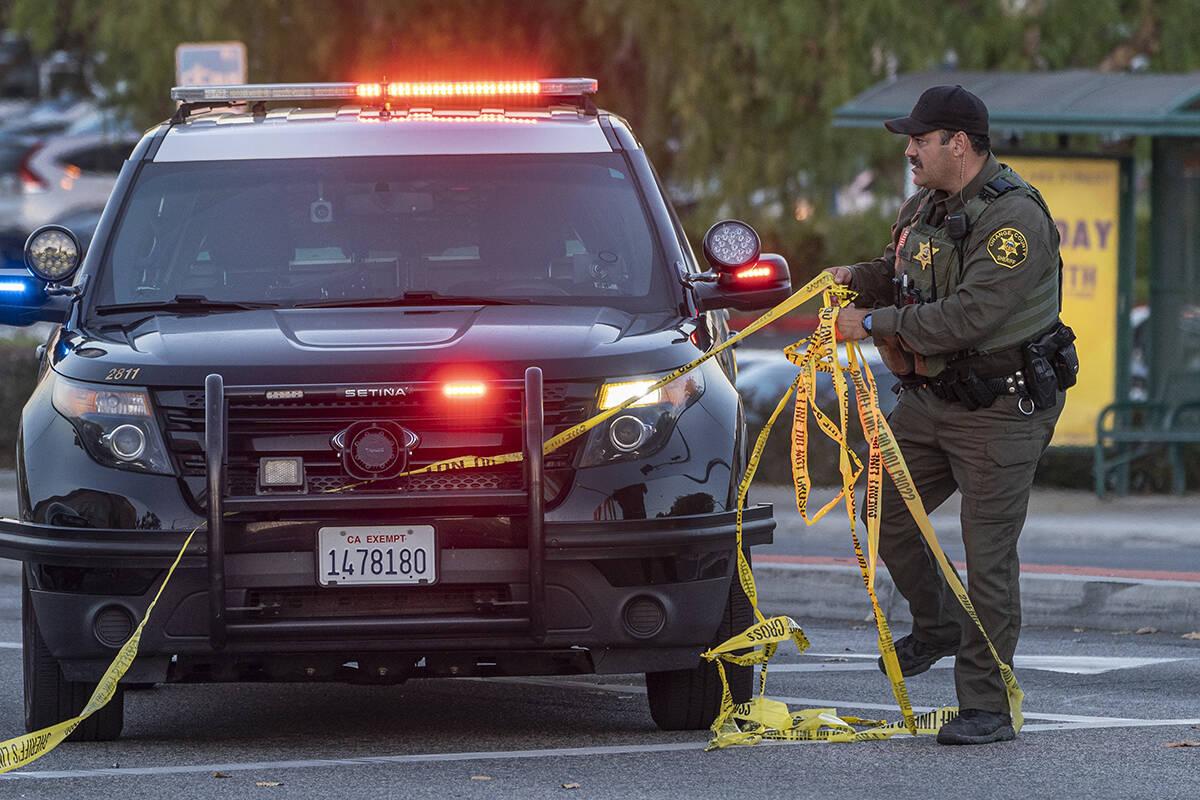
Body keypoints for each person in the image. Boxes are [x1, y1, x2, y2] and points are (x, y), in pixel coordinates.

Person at [826, 85, 1078, 745]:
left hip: (1001, 409)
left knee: (986, 556)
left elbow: (968, 315)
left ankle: (988, 706)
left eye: (920, 140)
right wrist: (853, 279)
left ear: (957, 144)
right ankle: (936, 625)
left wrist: (871, 322)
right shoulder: (926, 206)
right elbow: (900, 273)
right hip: (933, 402)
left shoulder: (1015, 220)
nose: (908, 151)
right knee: (879, 504)